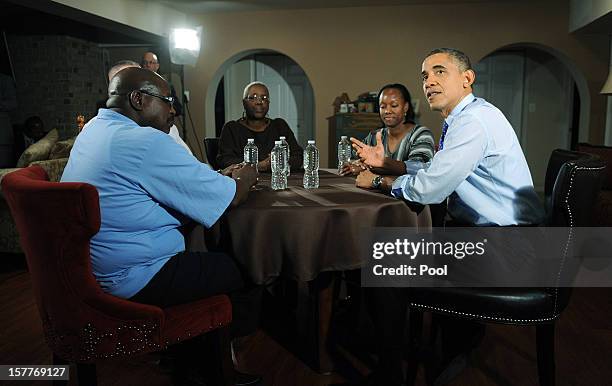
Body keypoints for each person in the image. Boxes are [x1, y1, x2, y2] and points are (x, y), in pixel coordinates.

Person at [346, 48, 544, 386]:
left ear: (467, 79)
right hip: (506, 241)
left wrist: (378, 180)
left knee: (381, 261)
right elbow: (439, 170)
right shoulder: (469, 117)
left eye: (440, 72)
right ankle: (450, 340)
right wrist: (388, 163)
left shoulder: (473, 122)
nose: (429, 81)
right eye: (424, 75)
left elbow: (429, 189)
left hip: (505, 250)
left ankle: (390, 373)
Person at [61, 67, 261, 385]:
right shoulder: (144, 141)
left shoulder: (95, 128)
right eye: (167, 101)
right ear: (138, 99)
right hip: (135, 275)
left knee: (205, 254)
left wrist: (216, 181)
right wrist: (245, 176)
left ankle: (188, 356)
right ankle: (206, 368)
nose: (174, 110)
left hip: (91, 267)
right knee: (245, 268)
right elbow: (232, 197)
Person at [340, 83, 434, 180]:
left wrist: (372, 167)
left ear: (405, 107)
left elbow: (417, 169)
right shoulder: (374, 136)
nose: (387, 111)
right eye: (383, 106)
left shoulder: (421, 135)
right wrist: (356, 164)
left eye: (394, 105)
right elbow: (356, 161)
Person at [217, 81, 303, 171]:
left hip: (279, 181)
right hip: (246, 182)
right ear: (244, 103)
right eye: (253, 98)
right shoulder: (232, 128)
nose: (259, 102)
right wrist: (258, 165)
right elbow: (224, 160)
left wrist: (279, 162)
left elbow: (298, 156)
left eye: (264, 98)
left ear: (268, 103)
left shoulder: (280, 126)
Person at [141, 52, 192, 155]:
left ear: (157, 66)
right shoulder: (137, 85)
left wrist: (165, 109)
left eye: (150, 62)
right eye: (145, 63)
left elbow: (178, 108)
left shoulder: (165, 85)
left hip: (163, 128)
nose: (147, 65)